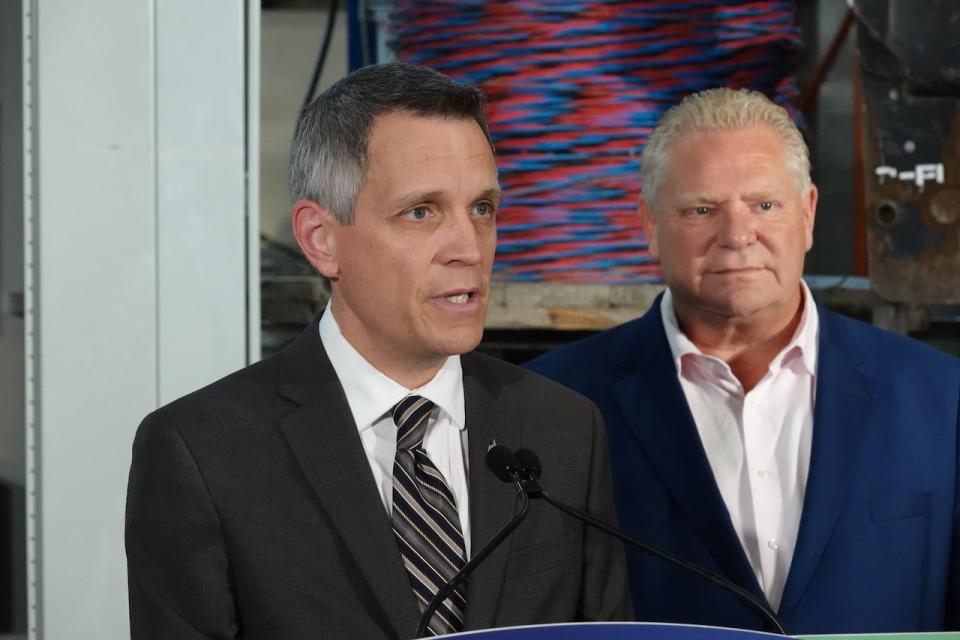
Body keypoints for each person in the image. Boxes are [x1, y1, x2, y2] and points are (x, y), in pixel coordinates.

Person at [125, 63, 630, 639]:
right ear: (322, 240)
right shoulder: (203, 453)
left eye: (482, 209)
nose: (468, 248)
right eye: (421, 212)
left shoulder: (563, 429)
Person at [528, 87, 960, 634]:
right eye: (701, 209)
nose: (736, 236)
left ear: (806, 214)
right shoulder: (556, 403)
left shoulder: (941, 400)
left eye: (764, 204)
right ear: (649, 225)